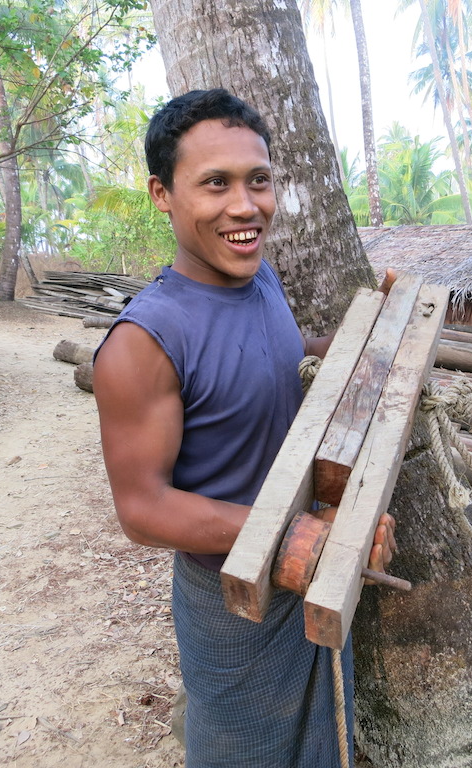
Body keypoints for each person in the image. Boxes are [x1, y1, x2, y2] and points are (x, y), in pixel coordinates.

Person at [92, 88, 395, 767]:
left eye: (259, 181)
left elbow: (275, 356)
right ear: (162, 194)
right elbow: (142, 510)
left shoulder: (260, 279)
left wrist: (365, 353)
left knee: (324, 743)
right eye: (215, 184)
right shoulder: (144, 343)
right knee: (239, 751)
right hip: (231, 607)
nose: (245, 206)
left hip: (307, 575)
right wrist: (301, 535)